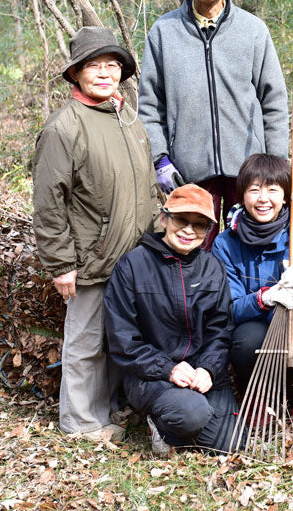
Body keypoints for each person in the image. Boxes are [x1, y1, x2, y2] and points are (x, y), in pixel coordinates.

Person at [32, 26, 157, 442]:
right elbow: (49, 203)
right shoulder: (63, 128)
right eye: (95, 65)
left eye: (113, 65)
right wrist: (62, 264)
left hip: (134, 258)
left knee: (120, 340)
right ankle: (81, 423)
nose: (105, 73)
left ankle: (109, 410)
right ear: (76, 74)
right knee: (86, 343)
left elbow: (145, 187)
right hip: (90, 258)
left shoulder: (128, 119)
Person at [138, 0, 289, 249]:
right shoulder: (163, 32)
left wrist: (275, 163)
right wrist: (160, 160)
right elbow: (150, 104)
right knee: (194, 251)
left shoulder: (253, 30)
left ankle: (251, 299)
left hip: (248, 169)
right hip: (189, 171)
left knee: (250, 246)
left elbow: (273, 101)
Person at [104, 184, 241, 454]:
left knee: (233, 444)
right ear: (165, 218)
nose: (189, 230)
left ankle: (184, 427)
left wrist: (208, 369)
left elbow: (221, 330)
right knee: (193, 415)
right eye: (181, 220)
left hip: (199, 372)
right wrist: (168, 369)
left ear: (208, 230)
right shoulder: (133, 265)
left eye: (199, 225)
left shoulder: (212, 267)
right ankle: (162, 423)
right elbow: (122, 339)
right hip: (151, 376)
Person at [211, 154, 293, 411]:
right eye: (254, 190)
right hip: (256, 326)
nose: (263, 199)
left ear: (286, 195)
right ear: (242, 196)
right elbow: (229, 308)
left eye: (272, 190)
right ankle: (259, 396)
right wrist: (264, 298)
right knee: (245, 342)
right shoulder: (226, 243)